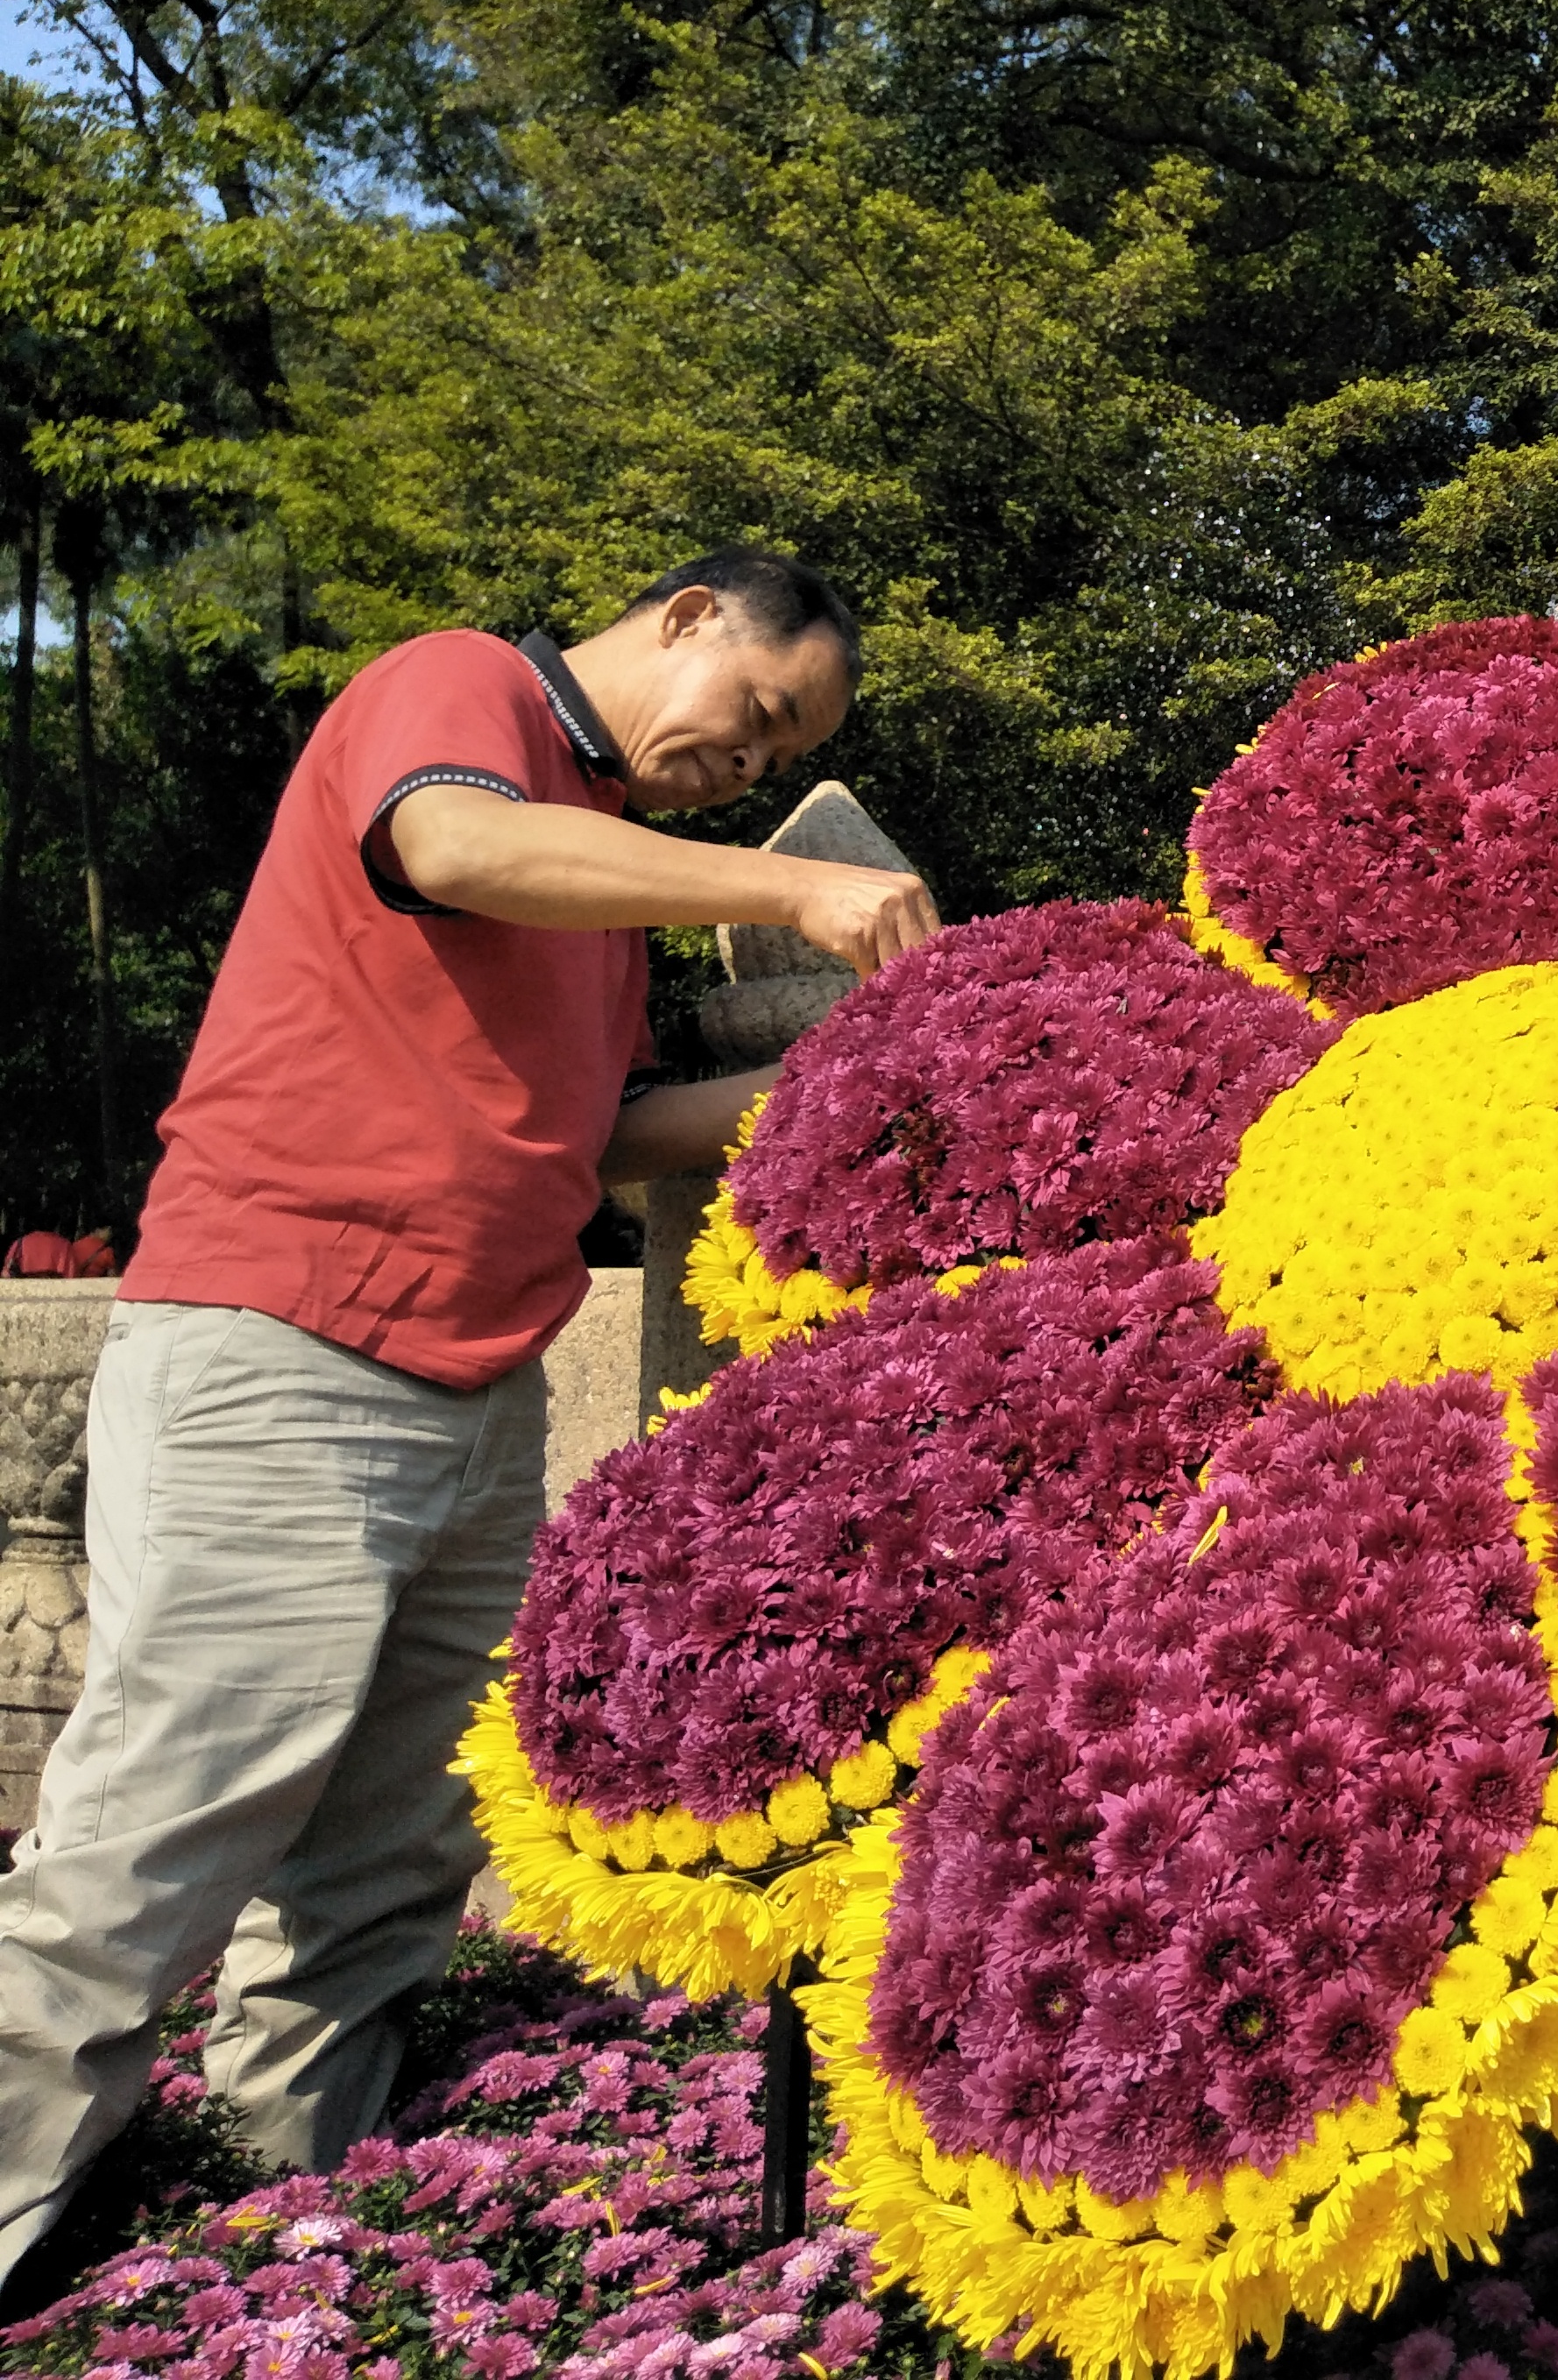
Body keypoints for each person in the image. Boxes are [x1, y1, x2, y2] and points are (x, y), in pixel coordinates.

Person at [0, 549, 939, 2285]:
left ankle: (279, 2245)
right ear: (681, 621)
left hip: (473, 1382)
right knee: (159, 1835)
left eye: (777, 752)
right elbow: (449, 842)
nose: (748, 763)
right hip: (291, 1349)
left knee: (386, 1867)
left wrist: (862, 1071)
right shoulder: (466, 697)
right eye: (757, 715)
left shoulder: (594, 882)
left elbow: (585, 1148)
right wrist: (787, 896)